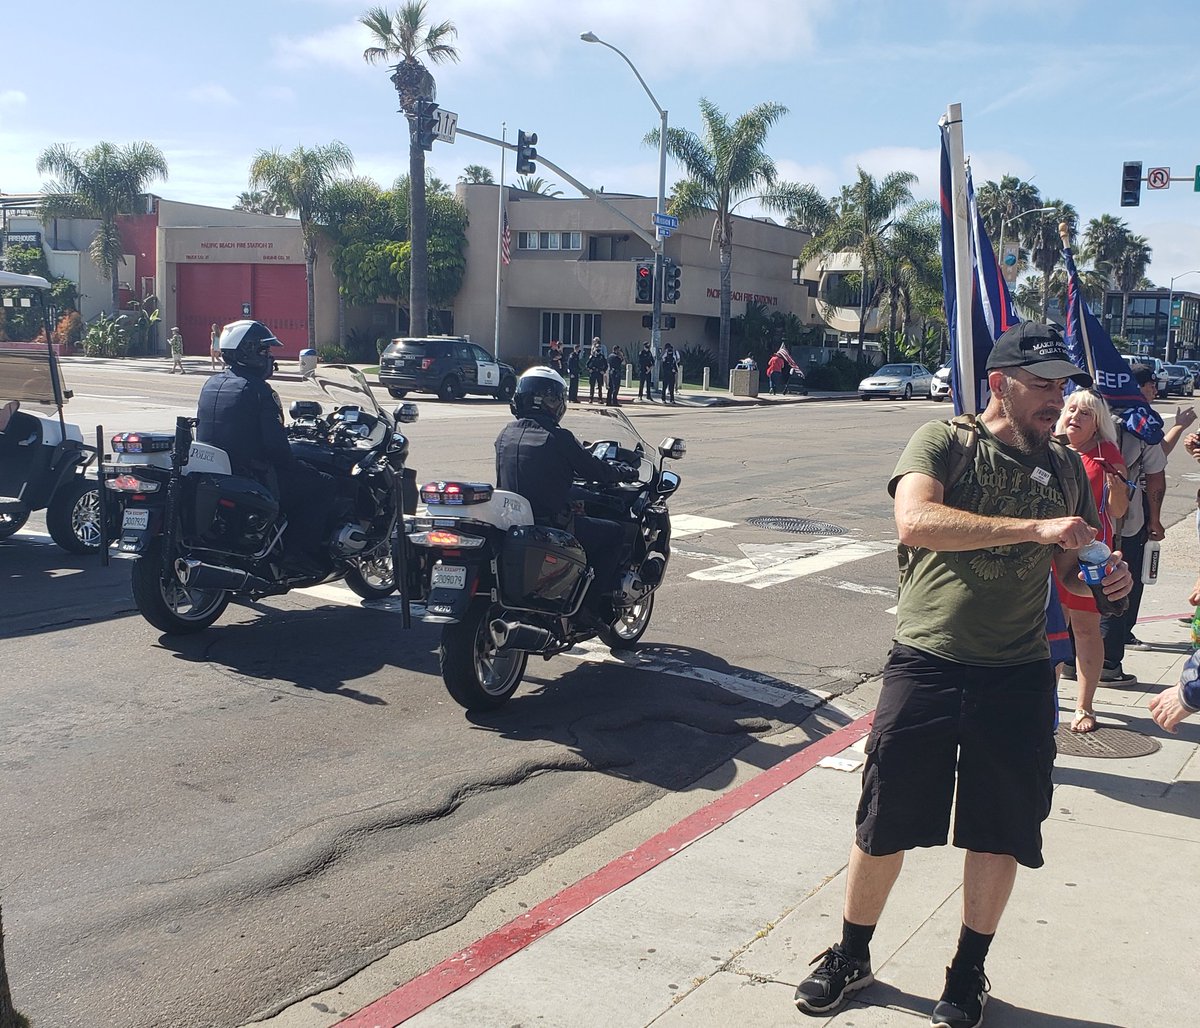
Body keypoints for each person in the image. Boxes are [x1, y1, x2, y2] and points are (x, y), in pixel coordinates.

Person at [794, 322, 1132, 1028]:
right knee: (885, 821)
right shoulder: (944, 441)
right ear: (998, 383)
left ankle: (967, 973)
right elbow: (914, 521)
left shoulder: (1067, 468)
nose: (1056, 396)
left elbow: (1072, 561)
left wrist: (1105, 571)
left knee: (999, 829)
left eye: (1061, 384)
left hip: (1017, 673)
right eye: (1040, 383)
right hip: (929, 661)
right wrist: (1033, 531)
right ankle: (852, 955)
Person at [495, 367, 637, 613]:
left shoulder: (506, 433)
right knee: (614, 534)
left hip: (514, 521)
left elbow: (539, 477)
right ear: (555, 403)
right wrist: (625, 472)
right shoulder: (558, 437)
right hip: (551, 525)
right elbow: (596, 472)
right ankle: (591, 609)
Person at [197, 320, 333, 573]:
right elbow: (276, 448)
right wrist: (297, 466)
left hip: (220, 471)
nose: (270, 358)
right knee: (322, 485)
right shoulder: (259, 391)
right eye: (264, 351)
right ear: (247, 352)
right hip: (254, 474)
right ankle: (299, 555)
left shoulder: (211, 384)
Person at [1097, 364, 1186, 682]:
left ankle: (1073, 661)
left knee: (1081, 587)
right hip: (1126, 521)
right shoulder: (1141, 422)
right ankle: (1108, 664)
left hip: (1086, 518)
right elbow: (1156, 479)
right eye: (1150, 384)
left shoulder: (1090, 412)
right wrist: (1157, 520)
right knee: (1120, 585)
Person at [1051, 389, 1128, 734]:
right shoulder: (1049, 448)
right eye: (1070, 410)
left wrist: (1117, 488)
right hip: (1051, 552)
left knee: (1085, 629)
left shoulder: (1107, 454)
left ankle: (1084, 705)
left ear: (1097, 421)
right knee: (1050, 632)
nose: (1074, 417)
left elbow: (1118, 512)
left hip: (1089, 555)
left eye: (1084, 413)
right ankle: (1047, 701)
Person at [587, 340, 607, 404]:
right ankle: (591, 398)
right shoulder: (592, 356)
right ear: (594, 348)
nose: (598, 349)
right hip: (593, 373)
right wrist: (589, 369)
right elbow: (587, 364)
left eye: (599, 348)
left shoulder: (602, 356)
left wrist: (603, 371)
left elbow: (606, 365)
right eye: (597, 347)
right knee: (592, 386)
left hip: (599, 373)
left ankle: (600, 399)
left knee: (600, 387)